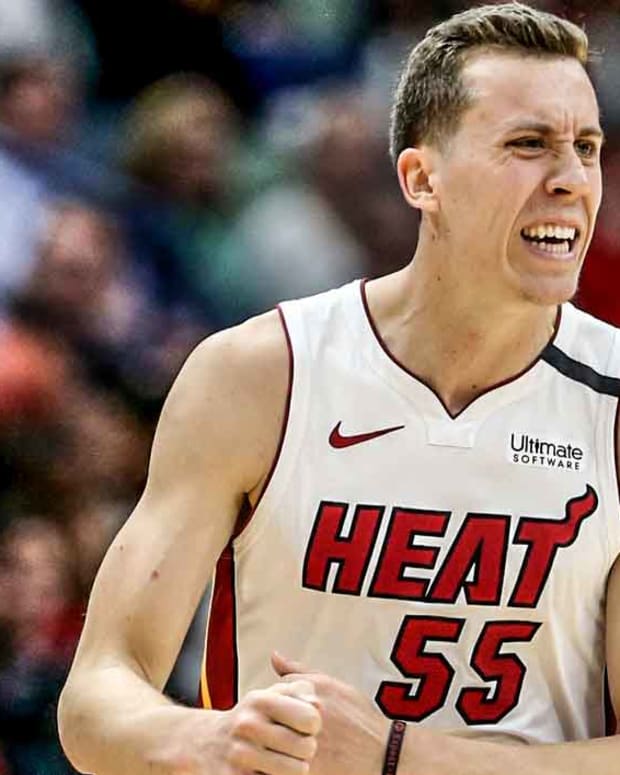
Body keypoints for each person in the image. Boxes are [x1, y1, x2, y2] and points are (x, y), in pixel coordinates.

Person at [58, 3, 620, 774]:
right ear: (422, 179)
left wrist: (396, 754)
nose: (571, 180)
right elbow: (95, 693)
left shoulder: (611, 403)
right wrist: (207, 738)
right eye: (528, 145)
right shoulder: (262, 374)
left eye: (585, 148)